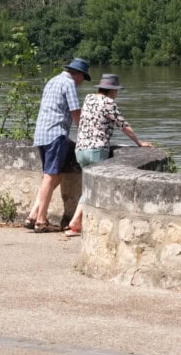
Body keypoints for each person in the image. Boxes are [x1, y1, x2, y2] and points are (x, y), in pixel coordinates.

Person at [64, 73, 151, 237]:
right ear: (112, 91)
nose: (116, 94)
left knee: (88, 186)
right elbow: (123, 125)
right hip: (97, 149)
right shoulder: (109, 103)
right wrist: (139, 143)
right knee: (91, 187)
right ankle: (75, 221)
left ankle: (76, 221)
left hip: (80, 148)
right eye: (116, 91)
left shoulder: (89, 98)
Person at [24, 57, 90, 233]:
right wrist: (85, 133)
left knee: (54, 176)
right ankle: (41, 220)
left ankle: (33, 215)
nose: (83, 82)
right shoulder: (69, 84)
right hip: (56, 133)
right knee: (51, 176)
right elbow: (76, 113)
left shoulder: (52, 81)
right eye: (84, 77)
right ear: (78, 74)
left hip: (41, 133)